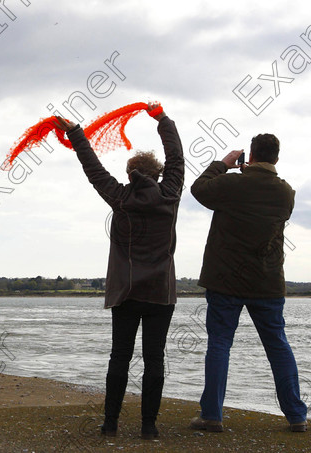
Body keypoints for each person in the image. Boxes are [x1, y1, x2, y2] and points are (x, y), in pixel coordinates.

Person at [54, 101, 184, 440]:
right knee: (155, 359)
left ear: (129, 174)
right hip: (159, 294)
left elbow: (93, 169)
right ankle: (149, 427)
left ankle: (110, 424)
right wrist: (161, 119)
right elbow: (178, 159)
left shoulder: (119, 197)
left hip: (125, 294)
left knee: (119, 358)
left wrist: (75, 133)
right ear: (158, 174)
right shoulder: (170, 195)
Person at [189, 134, 308, 433]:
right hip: (267, 282)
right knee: (278, 346)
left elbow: (198, 189)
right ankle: (296, 416)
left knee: (220, 344)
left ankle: (212, 415)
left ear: (250, 156)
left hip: (225, 281)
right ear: (277, 159)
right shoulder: (286, 193)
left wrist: (224, 165)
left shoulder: (231, 184)